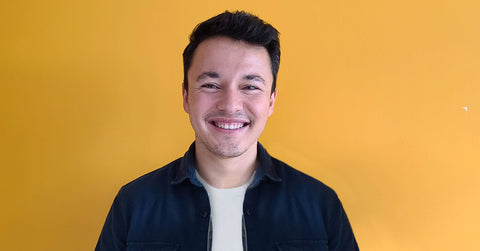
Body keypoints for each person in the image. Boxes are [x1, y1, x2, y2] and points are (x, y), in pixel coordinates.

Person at [96, 10, 359, 251]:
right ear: (186, 96)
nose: (230, 105)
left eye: (250, 87)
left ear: (271, 101)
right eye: (211, 85)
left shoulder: (321, 205)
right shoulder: (133, 204)